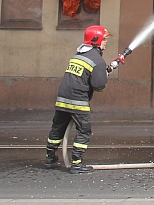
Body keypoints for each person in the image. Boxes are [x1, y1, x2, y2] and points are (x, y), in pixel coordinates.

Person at [44, 25, 110, 173]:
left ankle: (50, 158)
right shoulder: (98, 61)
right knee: (84, 131)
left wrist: (103, 72)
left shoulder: (78, 56)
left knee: (58, 128)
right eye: (104, 39)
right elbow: (99, 86)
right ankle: (77, 163)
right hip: (78, 101)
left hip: (62, 99)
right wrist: (104, 77)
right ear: (96, 40)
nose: (106, 42)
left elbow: (84, 75)